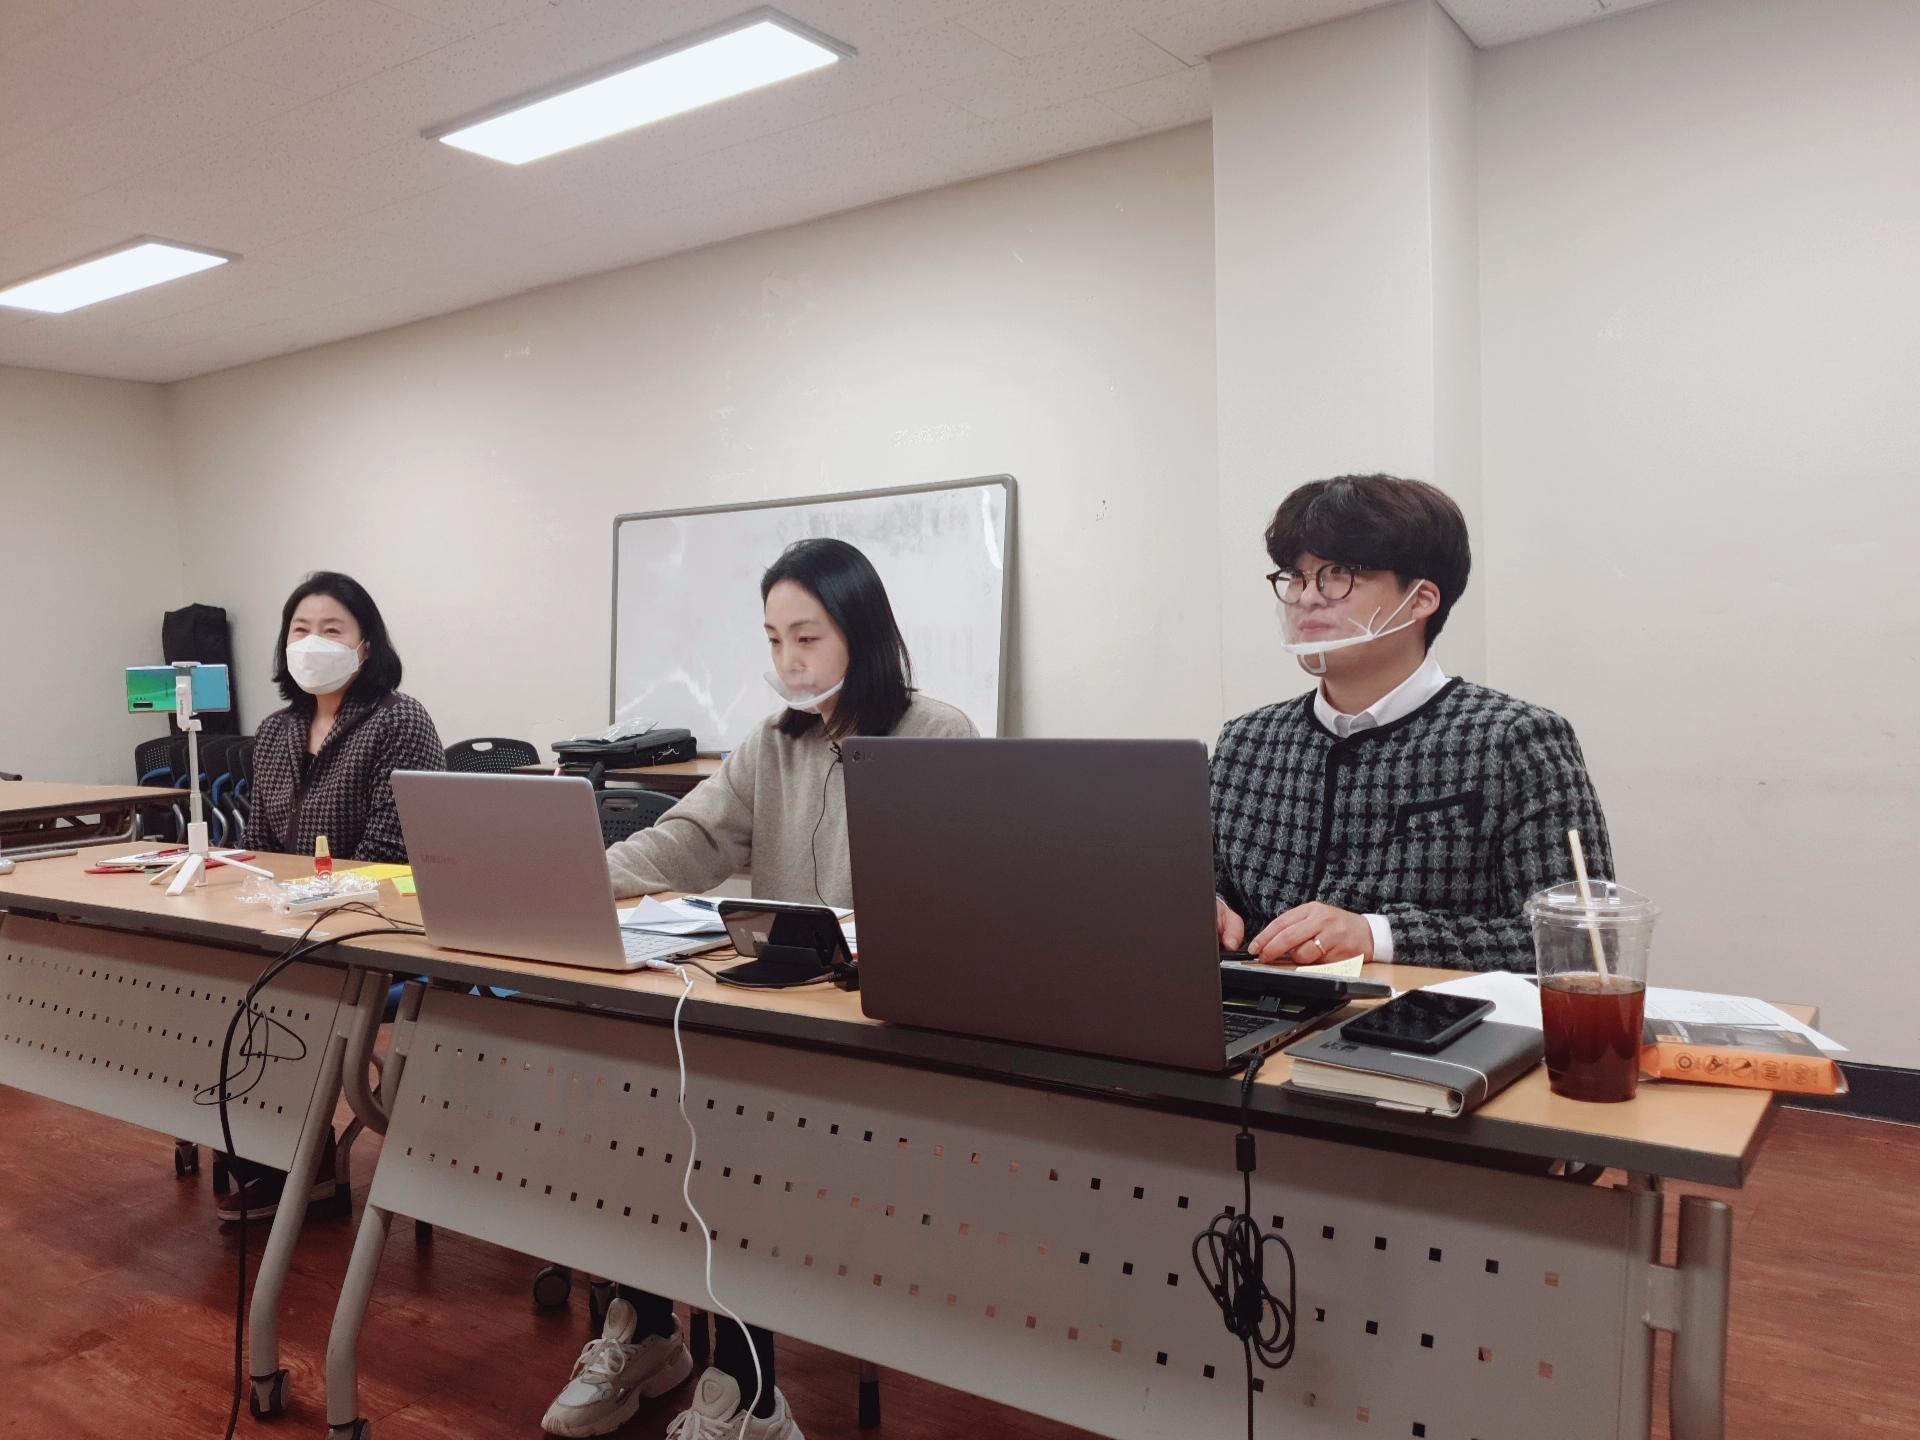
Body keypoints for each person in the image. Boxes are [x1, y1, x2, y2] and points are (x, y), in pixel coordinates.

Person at [541, 538, 975, 1440]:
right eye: (774, 640)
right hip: (772, 1020)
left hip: (878, 1037)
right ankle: (647, 1327)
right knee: (647, 1098)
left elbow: (963, 900)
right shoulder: (772, 744)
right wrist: (568, 877)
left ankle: (749, 1391)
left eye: (807, 638)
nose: (789, 661)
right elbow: (685, 841)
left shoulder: (938, 735)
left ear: (862, 633)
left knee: (733, 1135)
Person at [1211, 474, 1611, 974]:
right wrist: (1209, 909)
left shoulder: (1513, 739)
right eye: (1296, 575)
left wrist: (1379, 935)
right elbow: (1211, 882)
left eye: (1338, 573)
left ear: (1421, 599)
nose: (1307, 596)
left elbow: (1585, 943)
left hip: (1433, 1019)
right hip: (1252, 1016)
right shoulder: (1246, 742)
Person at [218, 571, 445, 1224]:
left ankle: (299, 1160)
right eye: (300, 630)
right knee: (214, 968)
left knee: (274, 984)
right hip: (294, 920)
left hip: (376, 926)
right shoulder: (276, 730)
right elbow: (260, 847)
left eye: (331, 629)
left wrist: (301, 900)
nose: (312, 642)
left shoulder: (400, 720)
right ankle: (268, 1148)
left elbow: (391, 854)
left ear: (366, 645)